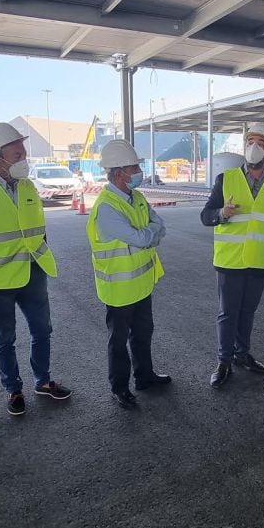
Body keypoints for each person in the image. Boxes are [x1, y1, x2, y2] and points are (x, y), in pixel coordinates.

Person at [0, 123, 72, 417]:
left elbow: (37, 229)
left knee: (42, 330)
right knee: (4, 338)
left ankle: (43, 381)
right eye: (16, 154)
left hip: (34, 271)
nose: (23, 158)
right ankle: (13, 389)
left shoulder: (29, 186)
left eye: (23, 152)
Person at [200, 122, 264, 389]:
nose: (255, 147)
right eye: (251, 141)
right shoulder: (225, 179)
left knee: (247, 312)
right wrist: (222, 214)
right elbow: (206, 216)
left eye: (261, 142)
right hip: (231, 260)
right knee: (228, 313)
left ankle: (242, 355)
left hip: (260, 262)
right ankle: (224, 361)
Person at [86, 139, 170, 409]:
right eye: (134, 167)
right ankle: (119, 388)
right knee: (119, 341)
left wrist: (148, 235)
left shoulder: (137, 197)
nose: (138, 171)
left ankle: (144, 376)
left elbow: (159, 225)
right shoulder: (107, 208)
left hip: (142, 283)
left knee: (143, 333)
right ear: (118, 172)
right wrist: (149, 235)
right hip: (119, 289)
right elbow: (142, 236)